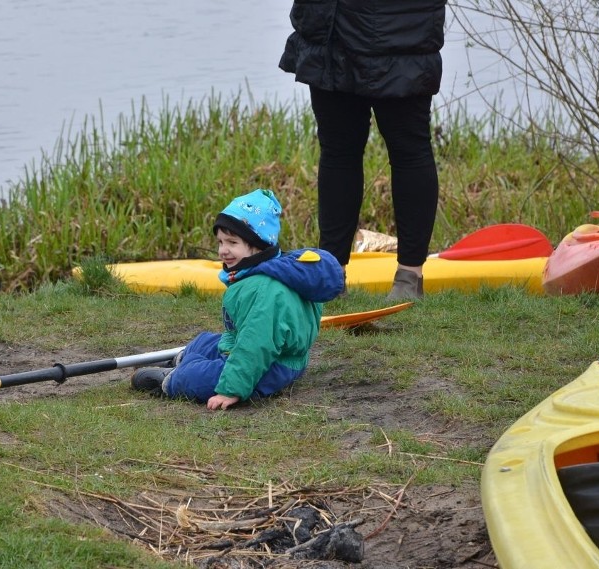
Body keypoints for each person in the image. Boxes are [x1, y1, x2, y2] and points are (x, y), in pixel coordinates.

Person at [279, 0, 447, 300]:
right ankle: (332, 275)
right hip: (328, 26)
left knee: (408, 148)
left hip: (402, 29)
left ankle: (410, 276)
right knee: (338, 150)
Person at [130, 188, 344, 410]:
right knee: (205, 341)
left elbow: (255, 345)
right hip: (266, 352)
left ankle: (174, 378)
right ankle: (183, 359)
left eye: (232, 243)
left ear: (258, 245)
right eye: (221, 242)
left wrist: (231, 389)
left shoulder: (265, 291)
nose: (223, 251)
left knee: (196, 378)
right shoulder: (271, 270)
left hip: (273, 366)